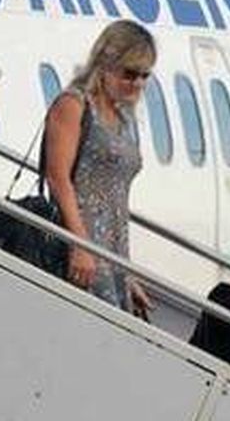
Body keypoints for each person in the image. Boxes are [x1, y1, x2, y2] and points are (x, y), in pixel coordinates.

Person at [41, 20, 157, 316]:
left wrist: (125, 272)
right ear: (105, 65)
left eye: (145, 76)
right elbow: (58, 179)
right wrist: (80, 245)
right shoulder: (74, 104)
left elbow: (116, 192)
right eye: (130, 74)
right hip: (79, 238)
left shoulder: (124, 116)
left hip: (112, 246)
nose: (138, 84)